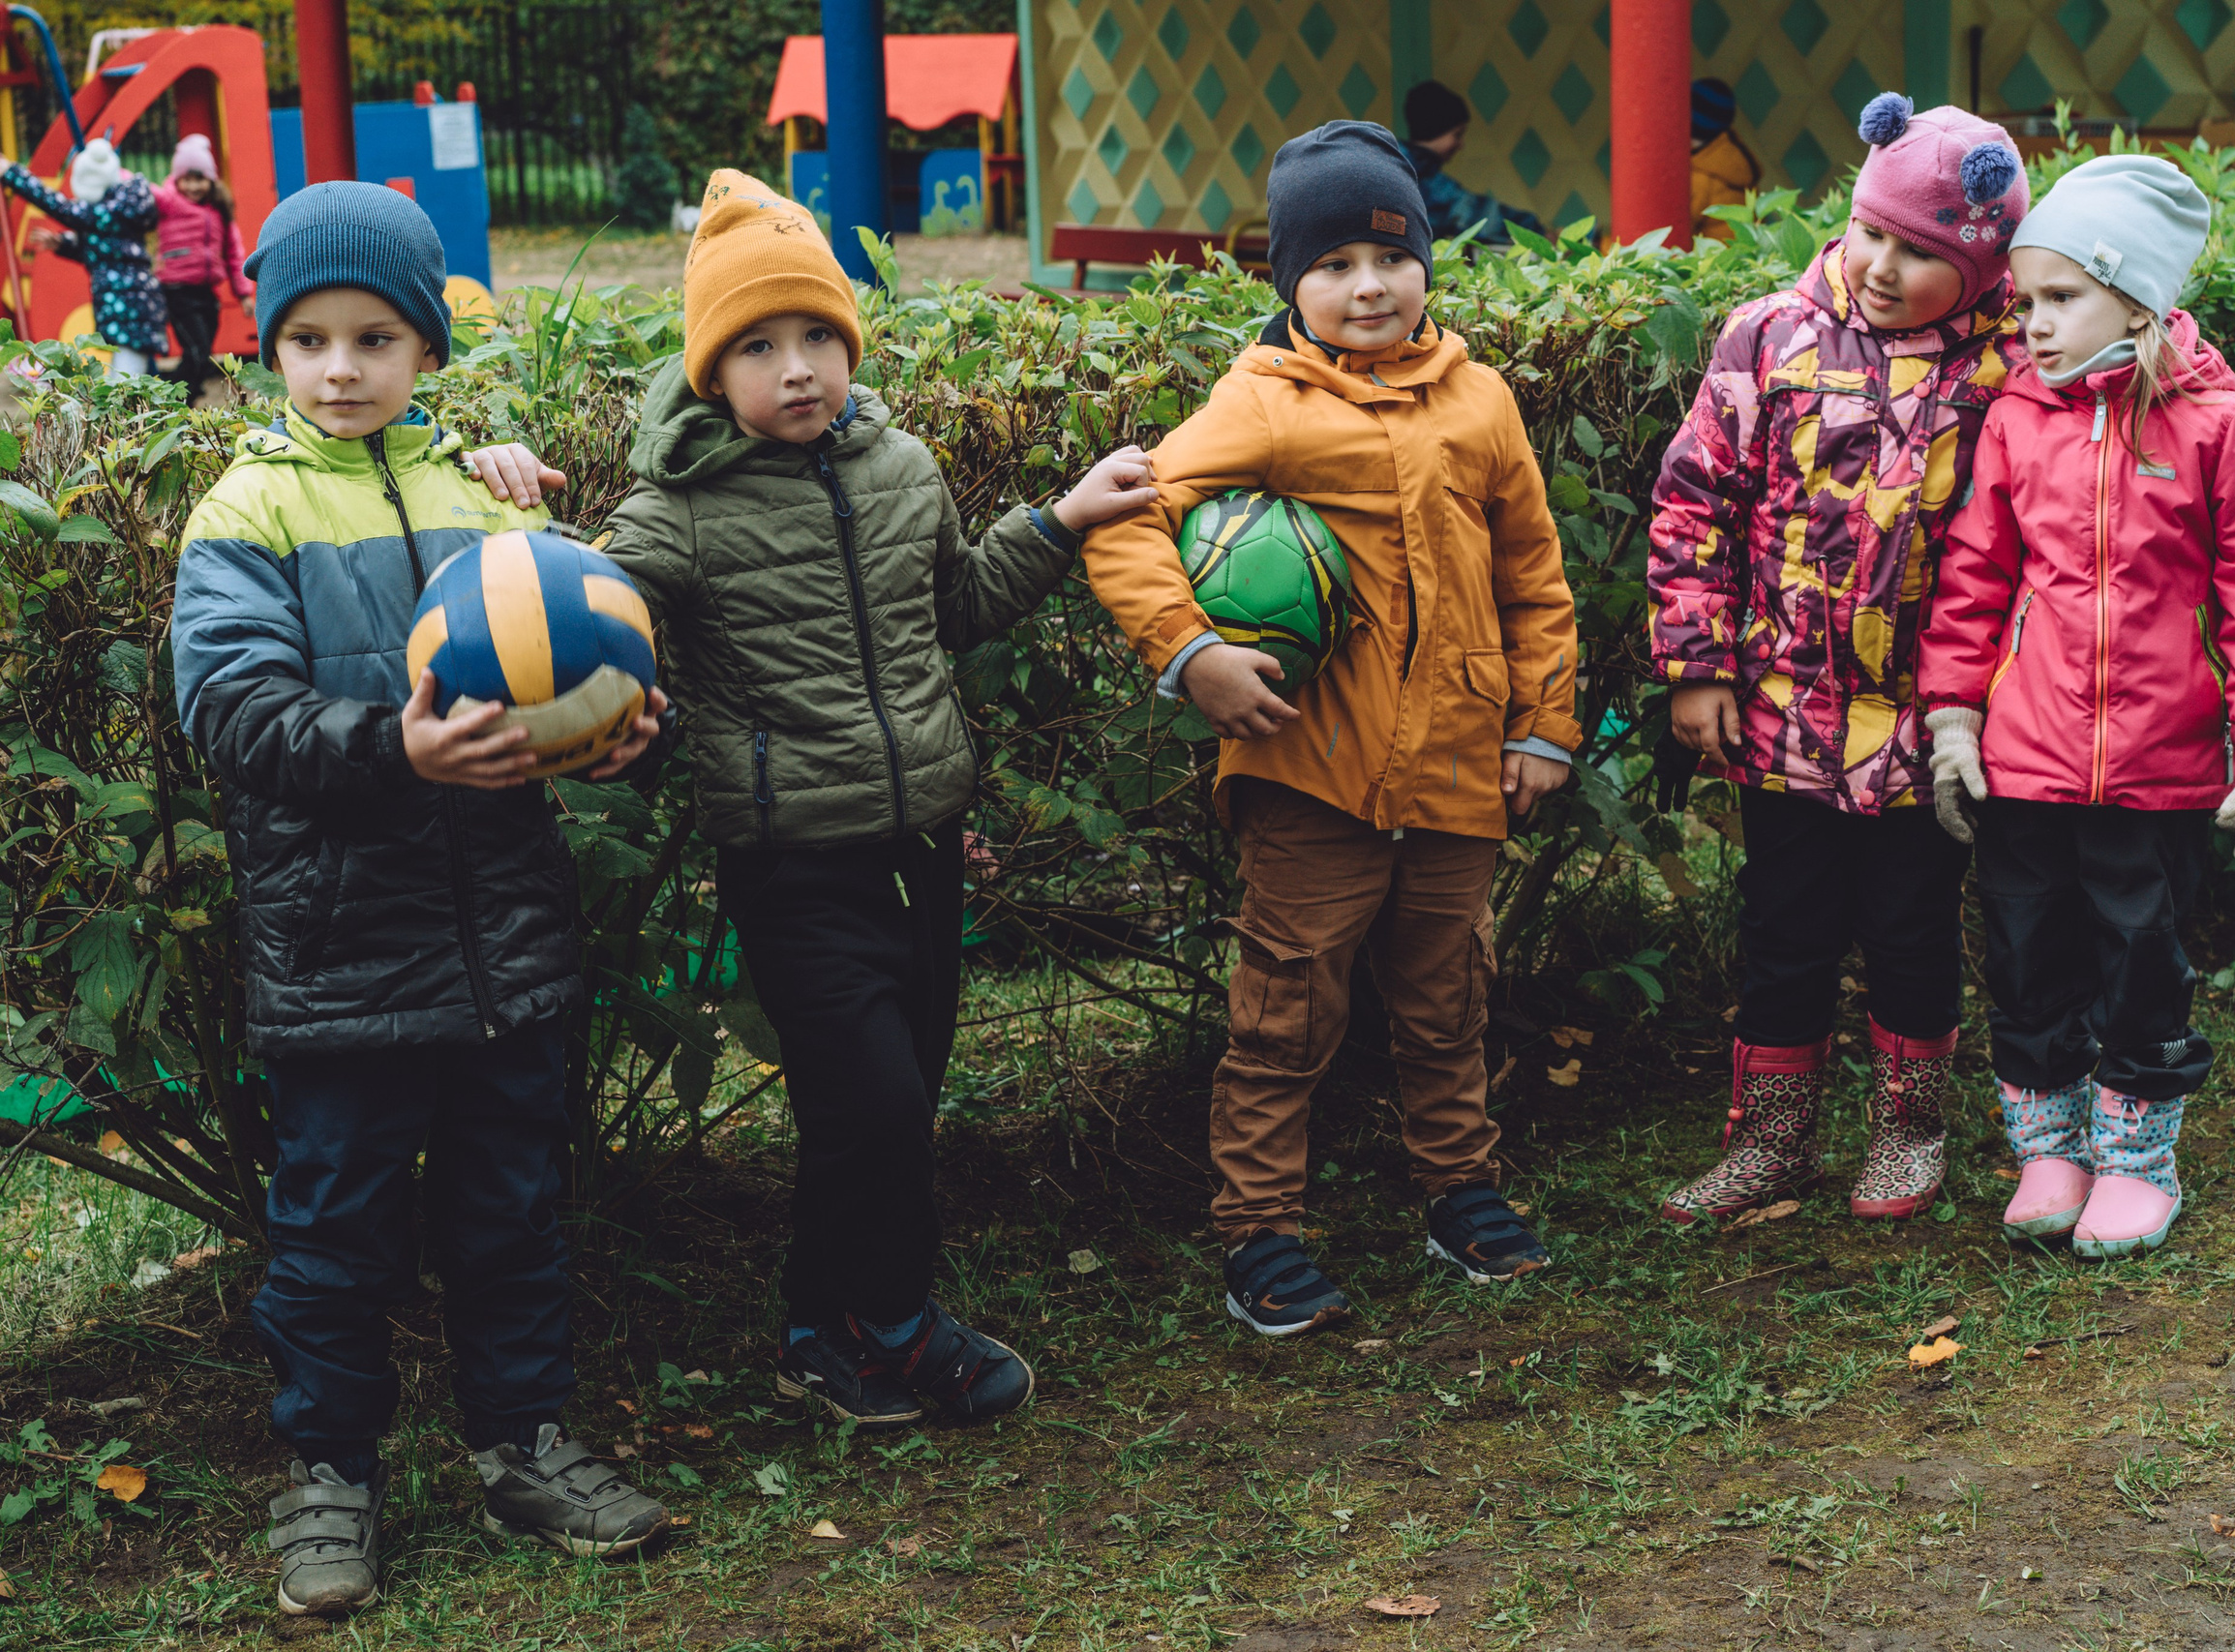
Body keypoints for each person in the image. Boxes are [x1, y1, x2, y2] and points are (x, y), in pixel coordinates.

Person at [169, 182, 671, 1617]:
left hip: (504, 939)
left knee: (514, 1205)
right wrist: (399, 746)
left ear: (428, 348)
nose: (341, 367)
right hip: (341, 949)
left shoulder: (484, 498)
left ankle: (524, 1443)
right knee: (334, 1228)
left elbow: (587, 665)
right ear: (270, 349)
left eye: (376, 337)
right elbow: (236, 714)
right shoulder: (247, 510)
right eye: (310, 339)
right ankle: (331, 1474)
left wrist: (639, 733)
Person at [599, 170, 1159, 1429]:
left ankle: (819, 1329)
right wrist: (502, 507)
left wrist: (1061, 518)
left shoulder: (899, 462)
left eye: (815, 337)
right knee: (883, 1107)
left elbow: (953, 607)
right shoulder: (675, 513)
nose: (795, 368)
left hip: (922, 843)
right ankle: (905, 1329)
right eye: (756, 345)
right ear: (709, 369)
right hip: (796, 862)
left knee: (874, 1110)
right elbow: (570, 609)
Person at [1079, 122, 1581, 1337]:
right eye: (1335, 264)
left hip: (1465, 762)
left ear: (1426, 263)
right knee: (1286, 1011)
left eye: (1392, 256)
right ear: (1288, 282)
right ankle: (1260, 1228)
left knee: (1448, 991)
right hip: (1314, 770)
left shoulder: (1482, 401)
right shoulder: (1263, 405)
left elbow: (1533, 572)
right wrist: (1193, 658)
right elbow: (1123, 517)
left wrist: (1545, 727)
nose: (1369, 286)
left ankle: (1459, 1187)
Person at [1918, 155, 2235, 1257]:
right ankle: (2048, 1147)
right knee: (2024, 947)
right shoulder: (2014, 422)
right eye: (2023, 303)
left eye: (2059, 299)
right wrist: (1954, 716)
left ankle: (2136, 1157)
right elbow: (1972, 581)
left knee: (2141, 953)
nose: (2031, 326)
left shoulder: (2225, 429)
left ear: (2135, 299)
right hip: (2026, 755)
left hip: (2161, 762)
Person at [1644, 94, 2029, 1227]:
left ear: (1980, 263)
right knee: (1783, 924)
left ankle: (1908, 1130)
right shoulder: (1767, 337)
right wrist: (1696, 664)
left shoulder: (2010, 366)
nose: (1880, 265)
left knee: (1913, 925)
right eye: (1871, 232)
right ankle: (1770, 1139)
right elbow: (1692, 504)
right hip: (1781, 709)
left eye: (1920, 251)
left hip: (1928, 720)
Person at [4, 136, 166, 376]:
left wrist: (11, 173)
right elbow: (110, 251)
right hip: (128, 304)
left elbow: (59, 207)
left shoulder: (113, 209)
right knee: (128, 375)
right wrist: (65, 244)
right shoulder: (120, 210)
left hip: (129, 307)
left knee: (126, 380)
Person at [153, 133, 255, 401]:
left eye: (199, 179)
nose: (192, 186)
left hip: (207, 293)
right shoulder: (170, 201)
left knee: (202, 354)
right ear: (177, 179)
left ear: (211, 180)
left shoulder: (219, 210)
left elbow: (234, 253)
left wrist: (243, 294)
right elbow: (144, 189)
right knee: (197, 351)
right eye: (186, 179)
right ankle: (176, 396)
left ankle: (180, 393)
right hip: (177, 291)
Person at [1399, 80, 1546, 244]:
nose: (1461, 145)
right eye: (1457, 134)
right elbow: (1474, 213)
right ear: (1436, 129)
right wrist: (1538, 233)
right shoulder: (1423, 177)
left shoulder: (1393, 158)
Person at [1689, 78, 1761, 241]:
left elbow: (1670, 229)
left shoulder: (1701, 177)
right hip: (1739, 259)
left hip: (1709, 262)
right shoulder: (1733, 157)